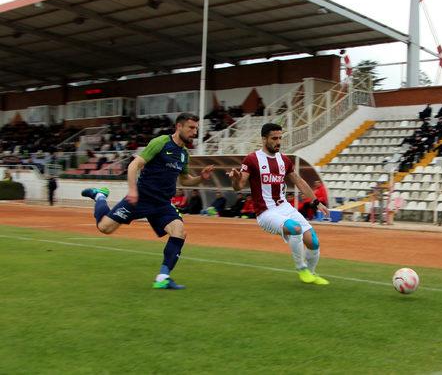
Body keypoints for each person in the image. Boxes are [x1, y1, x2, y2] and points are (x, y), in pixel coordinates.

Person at [80, 113, 214, 290]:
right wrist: (133, 191)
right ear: (179, 126)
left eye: (196, 128)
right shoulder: (160, 143)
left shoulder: (184, 154)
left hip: (162, 203)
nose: (194, 132)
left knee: (179, 231)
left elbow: (185, 180)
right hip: (141, 197)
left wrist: (201, 178)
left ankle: (163, 277)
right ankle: (99, 196)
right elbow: (133, 165)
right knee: (105, 228)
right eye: (191, 128)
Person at [228, 123, 330, 285]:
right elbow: (239, 186)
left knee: (313, 241)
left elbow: (299, 181)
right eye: (274, 138)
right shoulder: (252, 159)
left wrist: (316, 202)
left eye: (280, 138)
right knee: (295, 228)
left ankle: (311, 274)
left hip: (284, 208)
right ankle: (301, 268)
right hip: (265, 213)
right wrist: (235, 179)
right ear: (264, 139)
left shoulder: (284, 160)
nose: (278, 142)